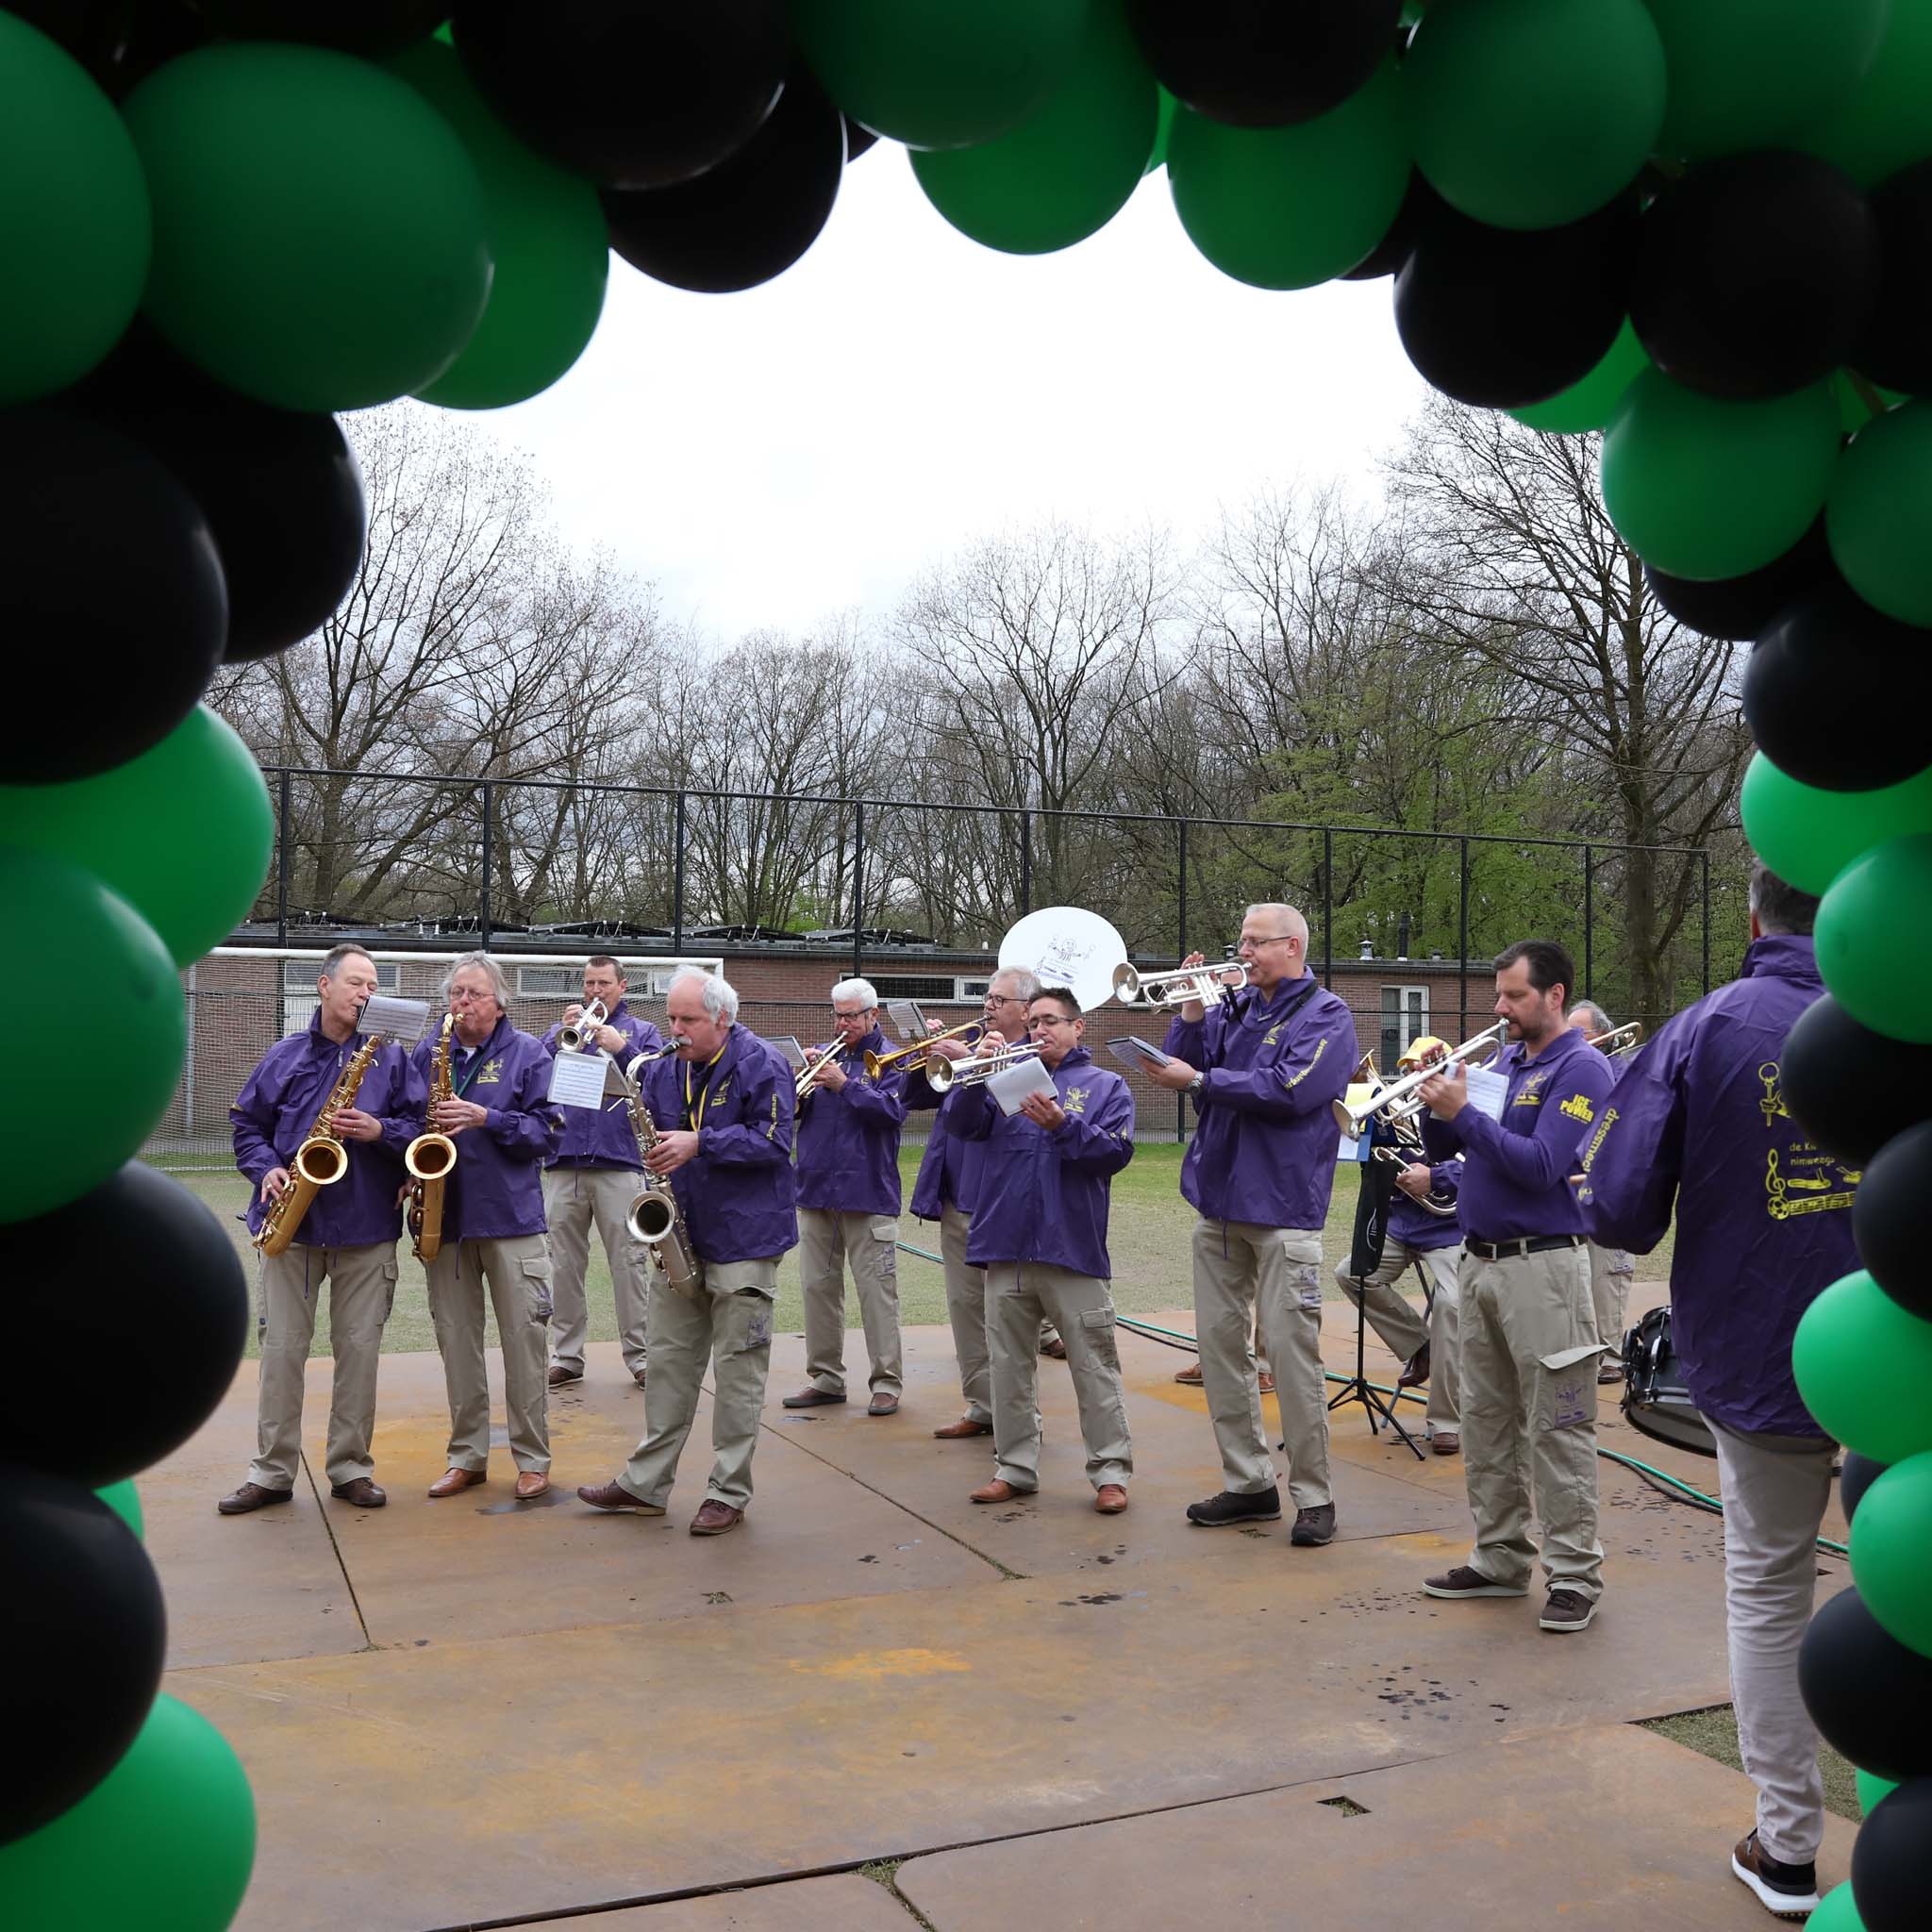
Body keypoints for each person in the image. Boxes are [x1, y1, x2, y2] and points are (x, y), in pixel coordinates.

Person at [1579, 864, 1856, 1920]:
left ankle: (1786, 1844)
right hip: (1908, 1356)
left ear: (1751, 914)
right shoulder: (1908, 1018)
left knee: (1769, 1589)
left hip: (1761, 1354)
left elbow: (1614, 1206)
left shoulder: (1709, 1026)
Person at [1416, 939, 1616, 1634]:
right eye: (1498, 995)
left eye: (1513, 996)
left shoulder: (1583, 1068)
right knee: (1486, 1421)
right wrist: (1430, 1104)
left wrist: (1465, 1114)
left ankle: (1574, 1575)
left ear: (1554, 996)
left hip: (1545, 1268)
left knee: (1558, 1423)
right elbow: (1452, 1149)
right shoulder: (1507, 1061)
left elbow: (1541, 1166)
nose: (1499, 1009)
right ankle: (1500, 1558)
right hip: (1480, 1262)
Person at [1145, 903, 1358, 1547]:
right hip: (1219, 1204)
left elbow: (1289, 1090)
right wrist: (1188, 1009)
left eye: (1253, 943)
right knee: (1219, 1352)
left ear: (1291, 946)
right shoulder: (1239, 1007)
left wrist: (1206, 1077)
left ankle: (1314, 1495)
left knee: (1293, 1358)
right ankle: (1249, 1483)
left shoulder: (1328, 1015)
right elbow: (1176, 1068)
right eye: (1239, 941)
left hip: (1283, 1210)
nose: (1241, 953)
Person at [576, 969, 796, 1535]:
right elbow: (652, 1133)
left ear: (723, 1017)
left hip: (744, 1238)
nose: (675, 1031)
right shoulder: (664, 1067)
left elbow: (775, 1143)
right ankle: (645, 1484)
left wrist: (701, 1142)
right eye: (671, 1019)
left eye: (688, 1020)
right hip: (681, 1235)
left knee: (738, 1373)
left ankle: (728, 1490)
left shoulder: (763, 1062)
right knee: (670, 1366)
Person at [221, 945, 421, 1514]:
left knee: (359, 1353)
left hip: (366, 1227)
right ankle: (272, 1472)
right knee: (281, 1351)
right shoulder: (283, 1056)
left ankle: (351, 1468)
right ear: (324, 986)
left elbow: (423, 1134)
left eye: (373, 985)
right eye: (356, 983)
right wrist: (268, 1169)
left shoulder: (392, 1058)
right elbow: (246, 1127)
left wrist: (380, 1130)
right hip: (293, 1227)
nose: (366, 994)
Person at [945, 987, 1136, 1514]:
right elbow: (961, 1128)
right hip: (1005, 1245)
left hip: (1070, 1248)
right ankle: (1014, 1467)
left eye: (1051, 1021)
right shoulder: (1005, 1076)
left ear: (1079, 1027)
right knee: (1007, 1366)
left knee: (1094, 1366)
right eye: (1033, 1022)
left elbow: (1115, 1154)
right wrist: (971, 1076)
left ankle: (1111, 1472)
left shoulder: (1107, 1085)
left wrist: (1062, 1125)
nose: (1039, 1030)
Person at [413, 953, 562, 1502]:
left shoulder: (529, 1054)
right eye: (455, 994)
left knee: (525, 1343)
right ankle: (466, 1458)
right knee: (457, 1344)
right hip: (445, 1219)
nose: (462, 1004)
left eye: (473, 994)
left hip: (510, 1220)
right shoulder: (429, 1053)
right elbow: (409, 1123)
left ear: (500, 1002)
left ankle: (532, 1458)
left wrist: (486, 1118)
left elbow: (550, 1134)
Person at [902, 968, 1042, 1439]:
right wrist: (930, 1056)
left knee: (1003, 1318)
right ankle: (981, 1406)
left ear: (1026, 1009)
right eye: (987, 996)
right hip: (956, 1197)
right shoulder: (979, 1040)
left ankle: (1017, 1418)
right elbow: (916, 1097)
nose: (988, 1005)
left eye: (999, 999)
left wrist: (971, 1061)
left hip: (999, 1201)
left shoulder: (1037, 1051)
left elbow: (1025, 1104)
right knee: (964, 1311)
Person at [781, 977, 908, 1417]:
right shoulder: (824, 1057)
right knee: (817, 1289)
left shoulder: (892, 1060)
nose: (843, 1022)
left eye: (852, 1015)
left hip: (868, 1192)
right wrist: (799, 1085)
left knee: (877, 1294)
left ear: (874, 1014)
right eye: (838, 1014)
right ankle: (826, 1378)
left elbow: (892, 1114)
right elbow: (789, 1114)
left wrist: (843, 1085)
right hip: (815, 1190)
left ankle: (887, 1382)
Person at [540, 956, 664, 1391]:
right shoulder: (563, 1031)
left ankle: (642, 1356)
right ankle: (567, 1356)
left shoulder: (643, 1032)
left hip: (620, 1161)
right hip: (565, 1161)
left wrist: (620, 1047)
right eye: (589, 983)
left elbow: (658, 1083)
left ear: (622, 986)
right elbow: (535, 1077)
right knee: (563, 1266)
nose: (595, 992)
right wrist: (557, 1038)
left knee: (629, 1263)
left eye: (604, 984)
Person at [1338, 1080, 1465, 1456]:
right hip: (1402, 1225)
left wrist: (1433, 1176)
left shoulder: (1463, 1109)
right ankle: (1420, 1345)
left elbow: (1478, 1169)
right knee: (1351, 1273)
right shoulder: (1396, 1117)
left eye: (1420, 1071)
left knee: (1451, 1305)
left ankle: (1445, 1421)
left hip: (1448, 1231)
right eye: (1408, 1071)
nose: (1413, 1079)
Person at [1568, 999, 1636, 1386]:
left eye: (1582, 1034)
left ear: (1604, 1036)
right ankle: (1588, 1350)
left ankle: (1612, 1356)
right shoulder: (1575, 1069)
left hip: (1611, 1186)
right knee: (1579, 1275)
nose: (1574, 1040)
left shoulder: (1621, 1068)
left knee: (1608, 1274)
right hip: (1574, 1185)